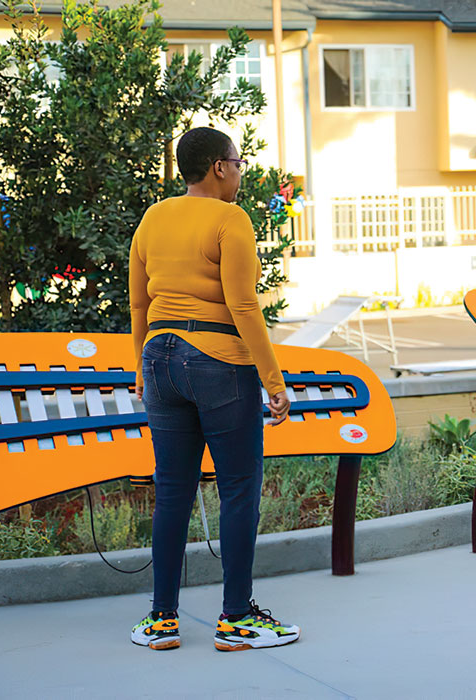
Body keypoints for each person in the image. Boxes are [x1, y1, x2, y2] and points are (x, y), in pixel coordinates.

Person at [128, 126, 299, 651]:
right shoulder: (230, 218)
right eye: (239, 162)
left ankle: (161, 621)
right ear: (219, 167)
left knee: (173, 491)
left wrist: (139, 371)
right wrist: (275, 382)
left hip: (158, 359)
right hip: (218, 362)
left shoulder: (153, 218)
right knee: (239, 488)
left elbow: (138, 303)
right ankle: (236, 619)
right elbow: (244, 305)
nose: (241, 172)